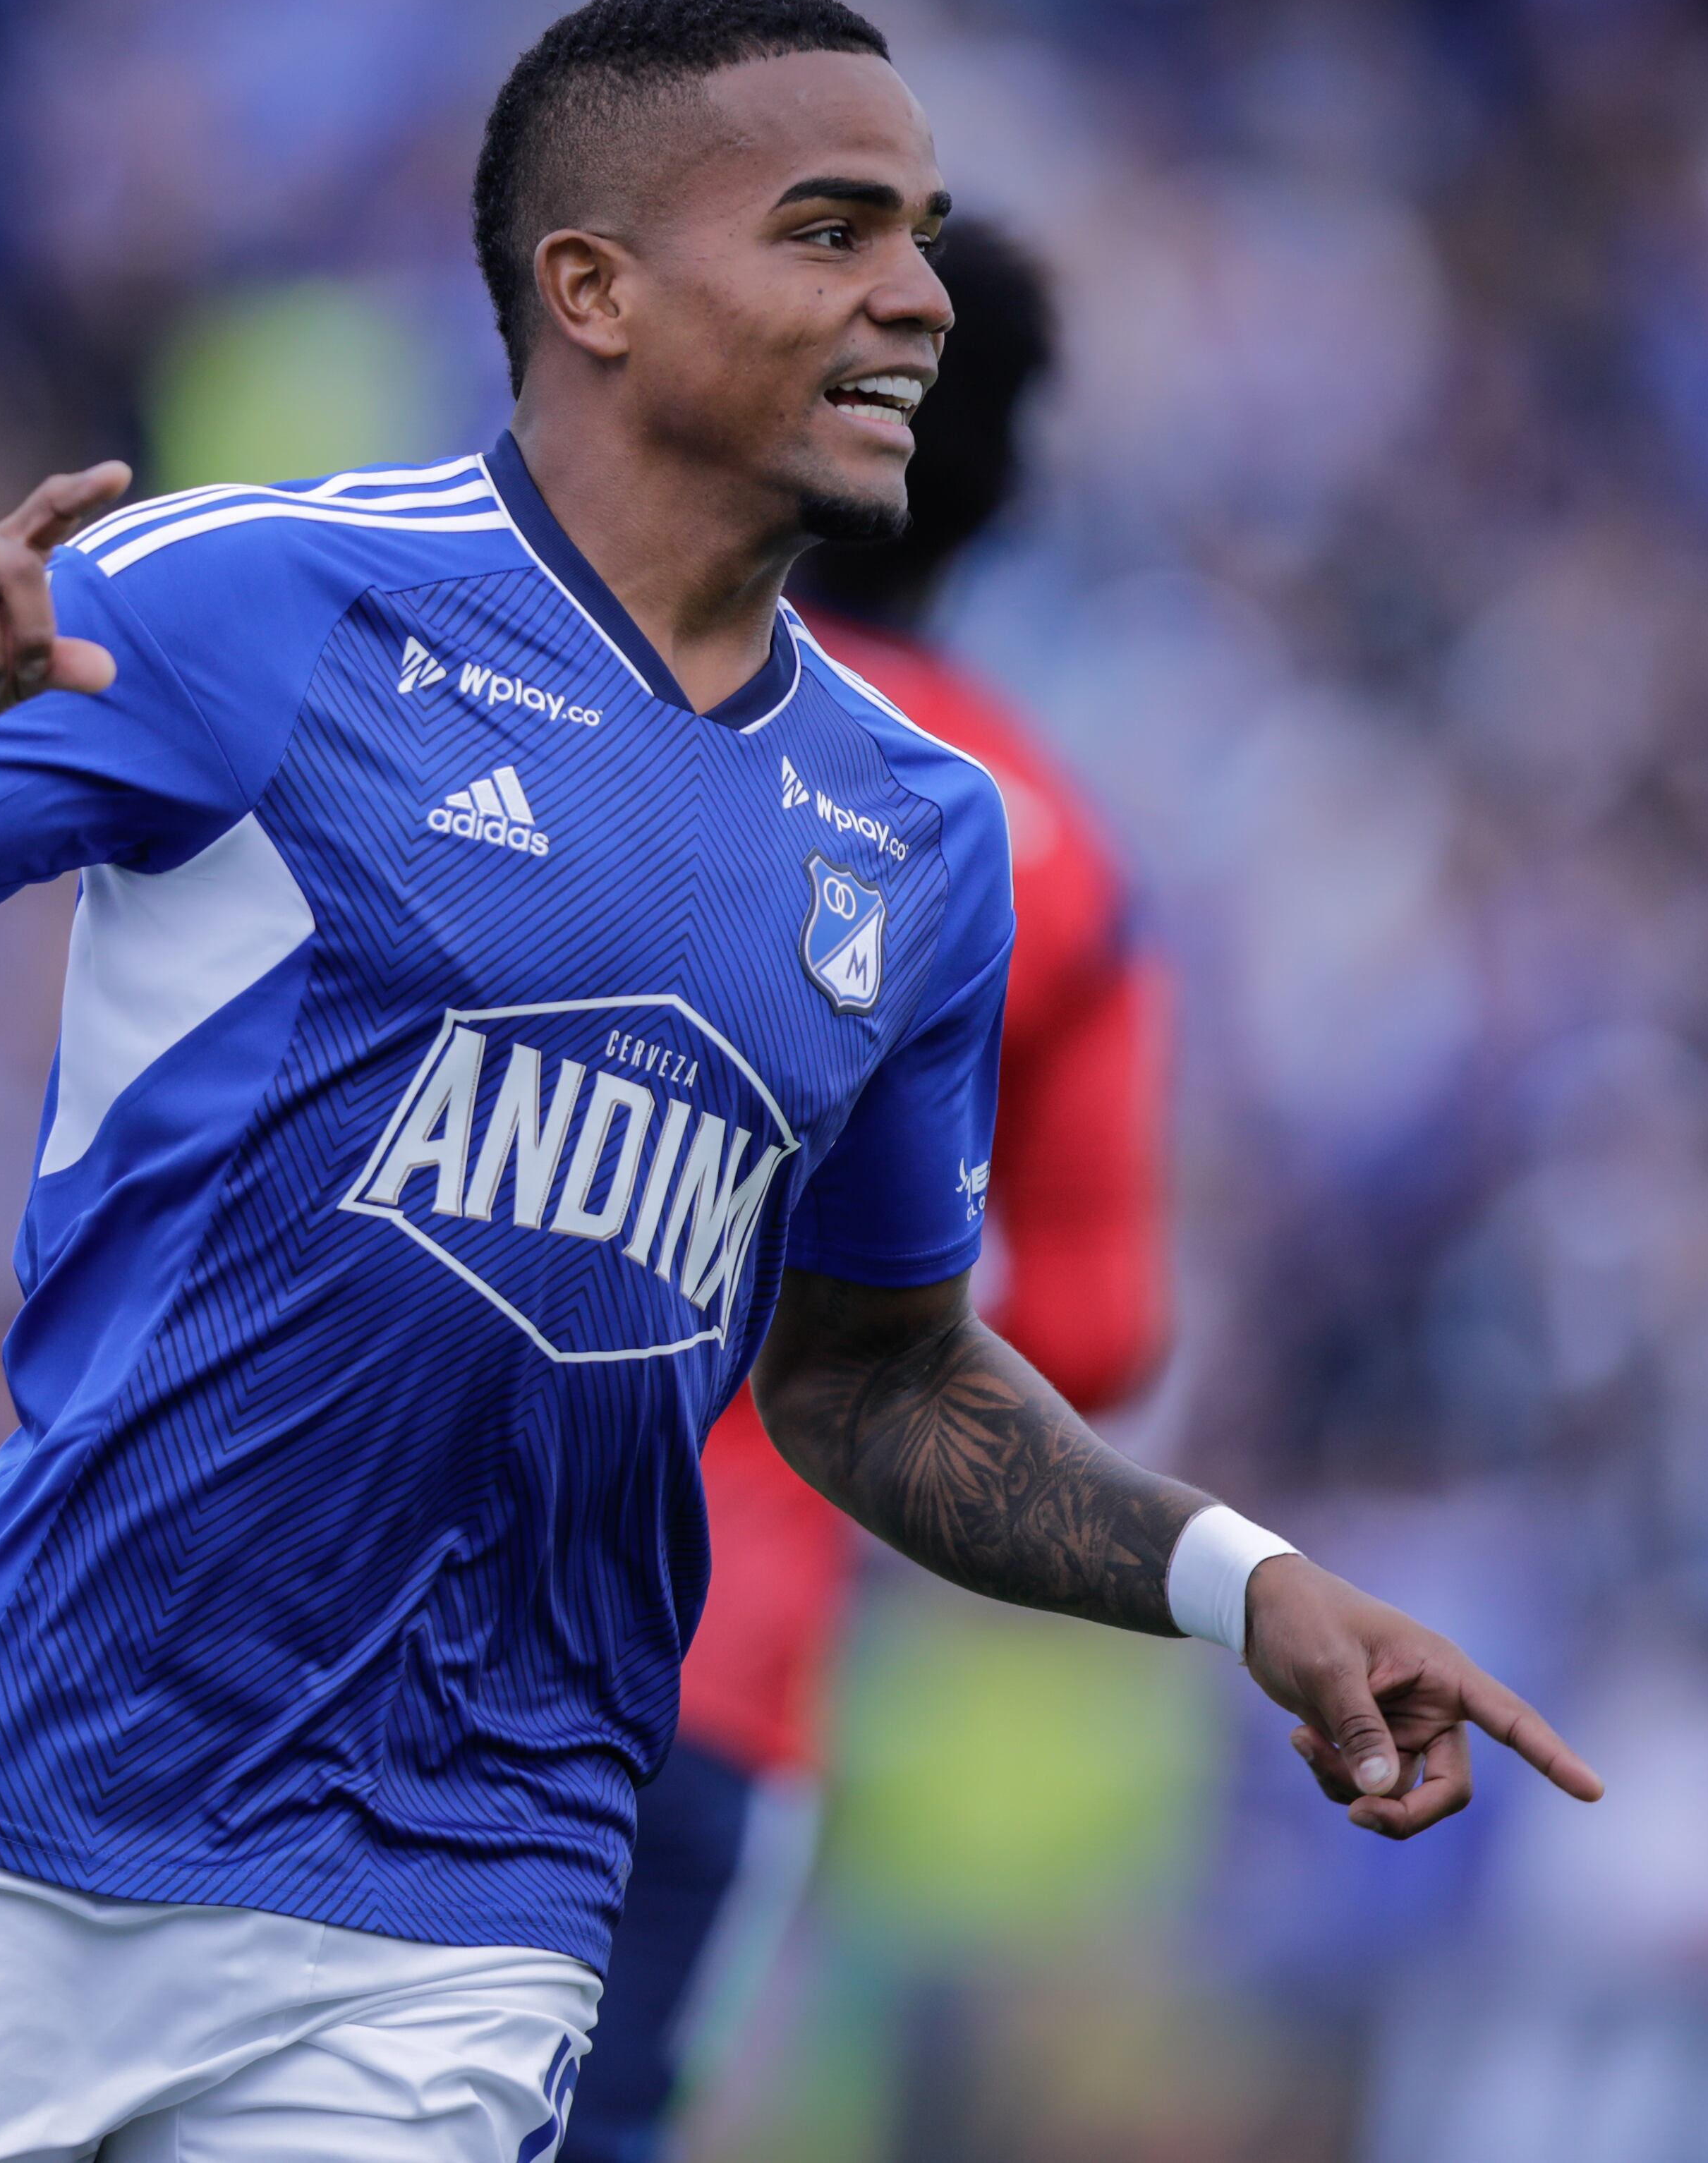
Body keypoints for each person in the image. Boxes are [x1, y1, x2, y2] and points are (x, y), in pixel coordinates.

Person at [0, 0, 1598, 2163]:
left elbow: (875, 1378)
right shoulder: (258, 601)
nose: (917, 298)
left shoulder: (921, 836)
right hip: (38, 1782)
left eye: (922, 233)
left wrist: (1246, 1587)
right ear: (593, 287)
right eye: (833, 231)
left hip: (472, 1891)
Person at [564, 221, 1169, 2162]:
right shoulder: (1043, 850)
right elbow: (1095, 1329)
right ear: (1002, 486)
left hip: (362, 1594)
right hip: (706, 1676)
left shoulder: (566, 710)